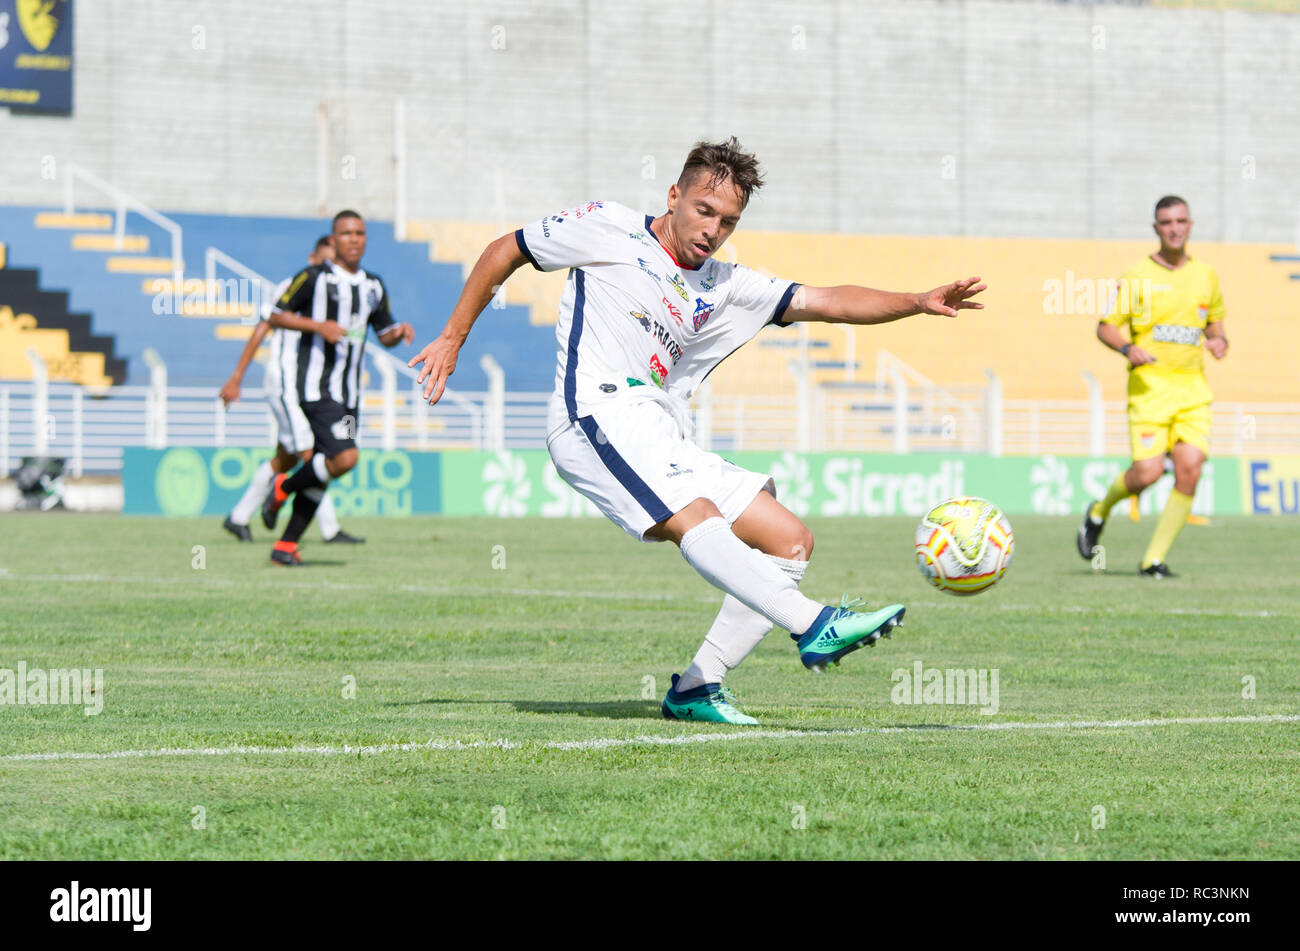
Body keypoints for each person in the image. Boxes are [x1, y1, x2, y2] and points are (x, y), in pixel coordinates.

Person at [409, 137, 985, 725]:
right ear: (674, 196)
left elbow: (828, 300)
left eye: (728, 221)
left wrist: (916, 299)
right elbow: (506, 249)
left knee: (788, 539)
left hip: (660, 430)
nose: (713, 229)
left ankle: (695, 687)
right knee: (697, 514)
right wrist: (454, 337)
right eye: (704, 211)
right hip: (593, 414)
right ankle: (814, 624)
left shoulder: (727, 284)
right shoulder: (608, 227)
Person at [1078, 195, 1228, 577]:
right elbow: (1105, 326)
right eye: (1166, 222)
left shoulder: (1206, 275)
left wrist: (1218, 341)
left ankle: (1153, 559)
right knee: (1146, 474)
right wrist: (1128, 348)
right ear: (1156, 229)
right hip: (1150, 391)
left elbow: (1215, 324)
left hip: (1193, 392)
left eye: (1180, 220)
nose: (1174, 228)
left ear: (1190, 225)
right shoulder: (1137, 276)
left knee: (1190, 470)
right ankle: (1099, 510)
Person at [259, 210, 415, 566]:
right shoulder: (313, 278)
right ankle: (282, 486)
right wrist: (318, 326)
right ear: (333, 239)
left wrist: (398, 332)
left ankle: (285, 546)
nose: (354, 239)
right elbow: (274, 314)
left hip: (350, 396)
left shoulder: (373, 286)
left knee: (326, 466)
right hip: (316, 390)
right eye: (346, 233)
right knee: (345, 458)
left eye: (359, 233)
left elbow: (384, 333)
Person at [220, 235, 362, 545]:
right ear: (313, 259)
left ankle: (238, 517)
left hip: (310, 386)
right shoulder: (293, 286)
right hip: (286, 381)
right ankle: (329, 530)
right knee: (315, 454)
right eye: (325, 261)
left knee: (285, 459)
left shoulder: (338, 291)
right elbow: (263, 326)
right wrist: (237, 376)